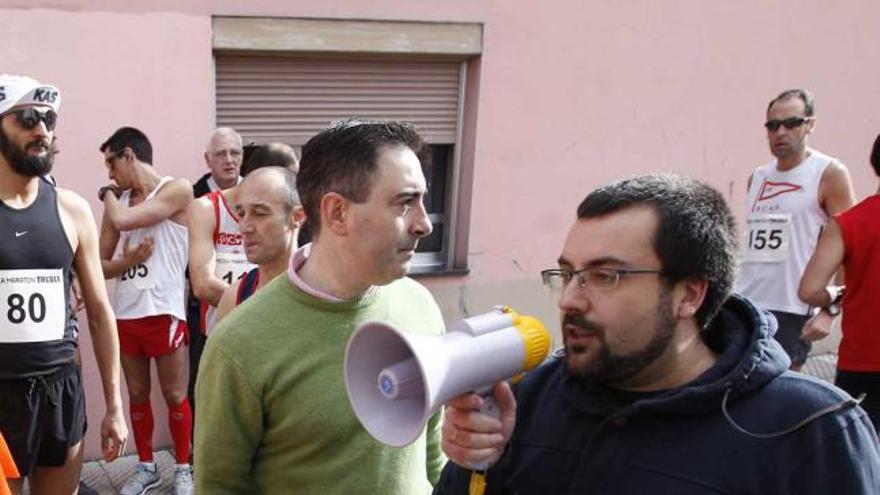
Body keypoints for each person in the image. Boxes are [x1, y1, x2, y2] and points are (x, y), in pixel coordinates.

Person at [435, 174, 880, 494]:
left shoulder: (810, 430)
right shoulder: (526, 400)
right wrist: (477, 467)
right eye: (568, 273)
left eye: (604, 275)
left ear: (688, 294)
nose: (569, 298)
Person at [195, 120, 445, 494]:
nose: (424, 223)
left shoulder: (421, 306)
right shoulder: (239, 344)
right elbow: (219, 487)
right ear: (337, 213)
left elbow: (434, 458)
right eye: (405, 203)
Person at [0, 74, 127, 494]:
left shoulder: (71, 209)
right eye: (28, 118)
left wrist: (114, 406)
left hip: (59, 394)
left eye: (49, 119)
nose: (42, 130)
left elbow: (99, 310)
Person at [97, 127, 194, 495]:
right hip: (126, 314)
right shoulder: (117, 205)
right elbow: (100, 265)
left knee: (174, 395)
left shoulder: (177, 189)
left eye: (111, 164)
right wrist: (128, 261)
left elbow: (123, 221)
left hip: (165, 311)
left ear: (129, 155)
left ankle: (183, 467)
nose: (109, 175)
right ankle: (146, 466)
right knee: (137, 393)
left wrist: (107, 196)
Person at [737, 89, 856, 370]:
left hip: (793, 307)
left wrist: (831, 309)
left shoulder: (828, 173)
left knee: (782, 398)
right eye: (772, 125)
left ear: (810, 124)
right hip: (748, 302)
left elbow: (851, 247)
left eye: (791, 123)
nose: (780, 132)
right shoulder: (758, 177)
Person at [799, 133, 880, 431]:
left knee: (861, 454)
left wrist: (833, 301)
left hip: (862, 362)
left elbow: (810, 290)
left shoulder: (848, 223)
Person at [214, 167, 304, 321]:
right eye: (241, 214)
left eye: (260, 214)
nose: (244, 227)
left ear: (296, 217)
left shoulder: (325, 290)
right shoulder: (235, 297)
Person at [191, 127, 243, 198]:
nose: (229, 160)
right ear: (208, 159)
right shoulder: (194, 199)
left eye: (234, 153)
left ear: (242, 156)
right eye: (221, 154)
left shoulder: (255, 192)